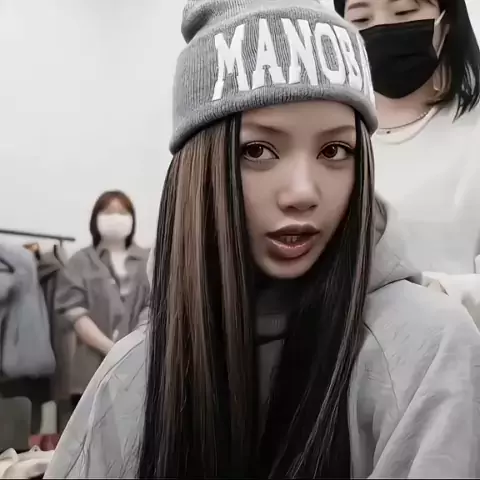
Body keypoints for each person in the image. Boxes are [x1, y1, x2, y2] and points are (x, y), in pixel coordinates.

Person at [46, 0, 480, 478]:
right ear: (200, 167)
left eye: (335, 150)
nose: (303, 192)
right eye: (257, 150)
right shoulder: (130, 377)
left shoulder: (427, 350)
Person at [334, 0, 480, 324]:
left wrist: (431, 295)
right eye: (361, 18)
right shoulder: (330, 139)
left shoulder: (473, 133)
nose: (382, 28)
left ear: (446, 21)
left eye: (404, 12)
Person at [54, 190, 150, 410]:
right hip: (90, 373)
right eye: (108, 212)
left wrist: (132, 347)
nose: (115, 218)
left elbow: (154, 306)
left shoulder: (148, 260)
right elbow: (74, 312)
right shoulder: (80, 261)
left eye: (122, 212)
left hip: (139, 370)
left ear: (132, 219)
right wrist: (111, 349)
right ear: (96, 218)